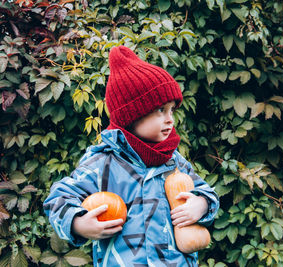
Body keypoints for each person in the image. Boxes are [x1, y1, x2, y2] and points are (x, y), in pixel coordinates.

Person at [43, 46, 219, 266]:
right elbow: (58, 199)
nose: (170, 119)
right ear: (132, 114)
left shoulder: (174, 161)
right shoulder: (102, 163)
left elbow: (204, 191)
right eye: (161, 110)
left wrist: (201, 205)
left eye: (172, 110)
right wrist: (78, 224)